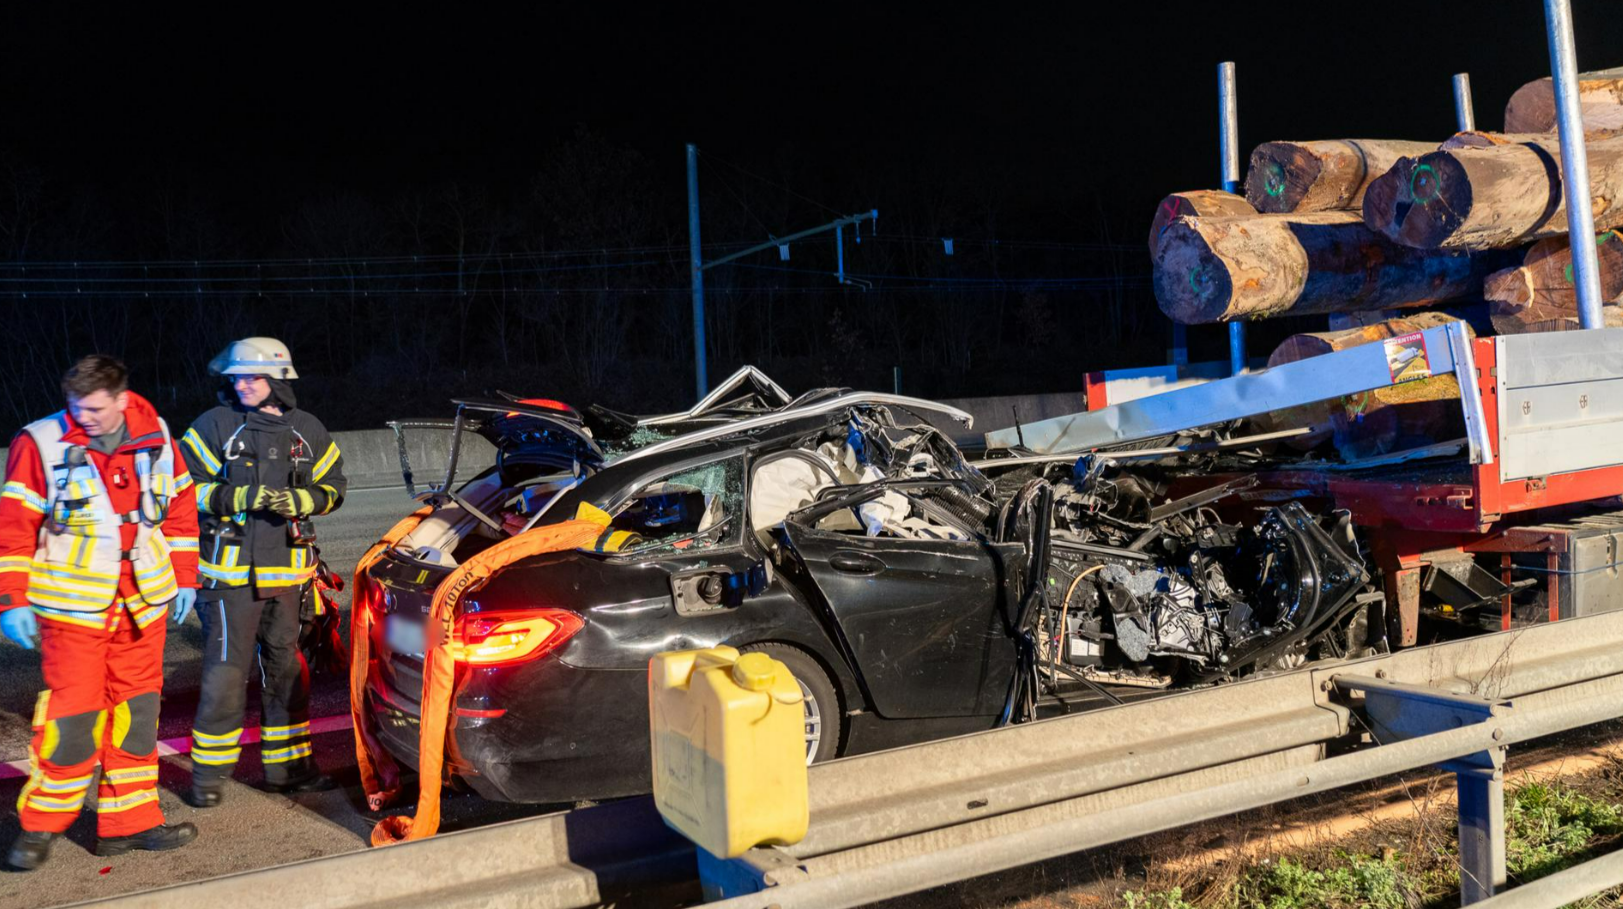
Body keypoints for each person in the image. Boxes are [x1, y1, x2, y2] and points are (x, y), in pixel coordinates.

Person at [0, 355, 200, 871]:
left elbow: (180, 506)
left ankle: (129, 825)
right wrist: (13, 599)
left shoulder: (154, 432)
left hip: (142, 603)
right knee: (73, 720)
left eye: (91, 408)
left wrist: (184, 578)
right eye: (73, 407)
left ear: (119, 399)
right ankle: (41, 825)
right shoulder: (39, 442)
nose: (81, 417)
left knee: (137, 717)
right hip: (75, 607)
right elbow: (15, 524)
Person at [178, 338, 346, 807]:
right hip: (231, 580)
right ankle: (208, 778)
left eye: (251, 377)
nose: (241, 384)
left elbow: (334, 487)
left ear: (277, 380)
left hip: (288, 579)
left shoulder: (307, 430)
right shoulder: (214, 426)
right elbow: (183, 490)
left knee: (287, 672)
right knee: (225, 675)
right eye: (237, 377)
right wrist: (236, 497)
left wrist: (299, 501)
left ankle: (290, 771)